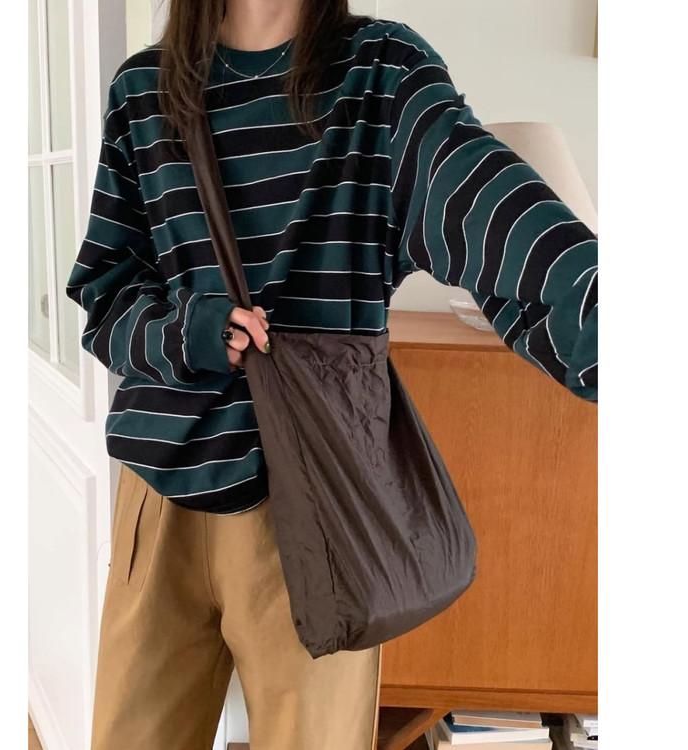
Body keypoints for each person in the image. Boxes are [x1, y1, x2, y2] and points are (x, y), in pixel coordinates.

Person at [66, 1, 598, 749]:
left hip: (320, 503)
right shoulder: (144, 90)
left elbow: (493, 213)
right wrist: (188, 331)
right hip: (158, 496)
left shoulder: (381, 73)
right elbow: (107, 293)